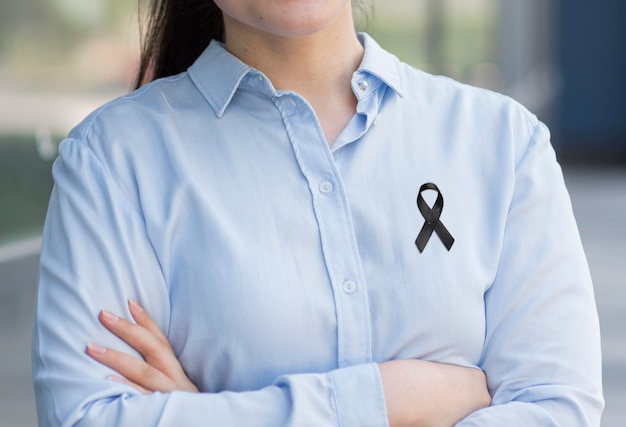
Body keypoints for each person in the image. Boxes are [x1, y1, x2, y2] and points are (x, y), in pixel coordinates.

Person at [32, 0, 604, 425]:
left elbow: (557, 409)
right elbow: (90, 417)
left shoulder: (503, 144)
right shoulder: (111, 163)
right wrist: (384, 402)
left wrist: (214, 414)